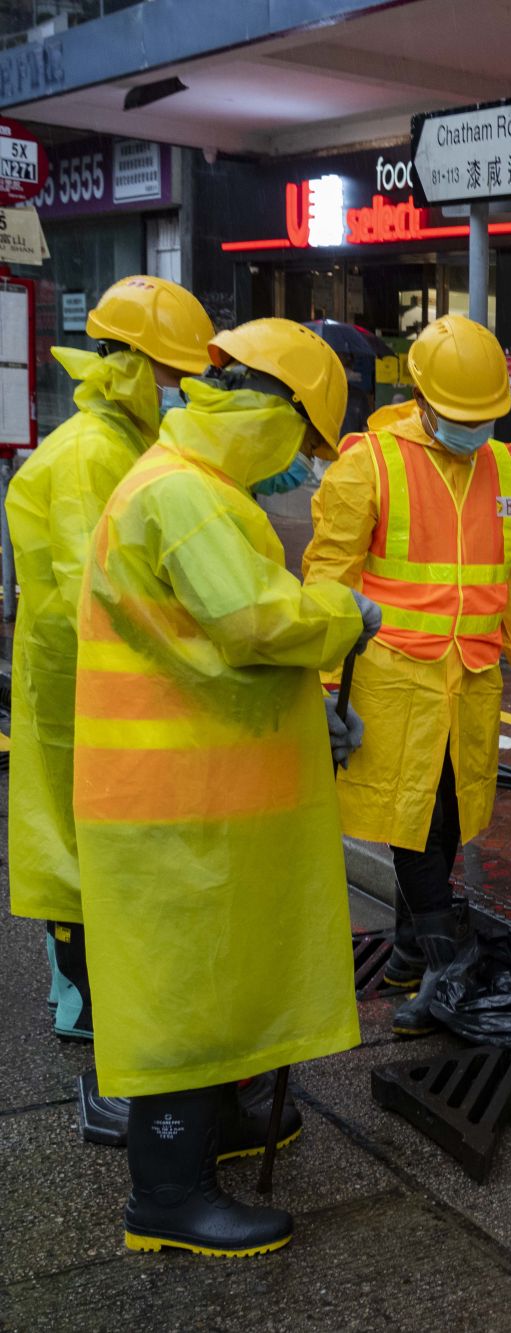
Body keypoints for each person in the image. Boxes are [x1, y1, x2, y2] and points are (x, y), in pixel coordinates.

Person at [74, 318, 377, 1257]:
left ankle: (220, 1126)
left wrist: (306, 711)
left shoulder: (192, 483)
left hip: (195, 791)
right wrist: (343, 615)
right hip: (170, 804)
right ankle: (168, 1194)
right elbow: (253, 620)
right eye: (307, 443)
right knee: (182, 992)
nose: (302, 466)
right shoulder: (185, 494)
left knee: (215, 971)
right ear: (272, 414)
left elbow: (207, 650)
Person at [303, 313, 511, 1036]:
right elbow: (328, 581)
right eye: (461, 416)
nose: (474, 429)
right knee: (412, 822)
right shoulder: (370, 464)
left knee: (447, 812)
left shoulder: (506, 468)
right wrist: (324, 685)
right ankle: (444, 959)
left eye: (484, 416)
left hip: (470, 679)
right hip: (394, 679)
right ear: (421, 398)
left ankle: (413, 947)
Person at [8, 276, 212, 1043]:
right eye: (174, 373)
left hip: (99, 680)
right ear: (130, 365)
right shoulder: (92, 451)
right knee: (77, 844)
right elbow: (98, 591)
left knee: (97, 837)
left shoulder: (123, 439)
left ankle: (91, 989)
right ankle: (83, 1001)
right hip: (81, 685)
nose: (185, 388)